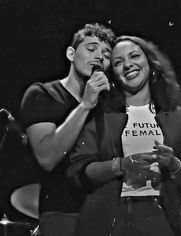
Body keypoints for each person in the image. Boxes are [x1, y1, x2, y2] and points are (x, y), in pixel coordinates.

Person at [67, 35, 181, 236]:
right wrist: (121, 165)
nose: (128, 65)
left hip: (161, 217)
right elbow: (81, 169)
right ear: (113, 73)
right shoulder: (101, 116)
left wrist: (173, 163)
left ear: (150, 62)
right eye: (118, 63)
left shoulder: (177, 117)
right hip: (111, 218)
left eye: (134, 56)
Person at [21, 23, 116, 236]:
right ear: (71, 53)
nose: (99, 57)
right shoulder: (42, 94)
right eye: (91, 49)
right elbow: (47, 157)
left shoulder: (109, 107)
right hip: (62, 215)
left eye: (107, 54)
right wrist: (85, 105)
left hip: (106, 215)